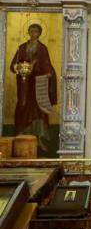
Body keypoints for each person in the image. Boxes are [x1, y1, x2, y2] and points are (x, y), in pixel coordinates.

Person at [10, 24, 58, 153]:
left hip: (38, 83)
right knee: (23, 104)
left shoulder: (42, 48)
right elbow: (13, 66)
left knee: (38, 109)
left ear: (39, 33)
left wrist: (49, 74)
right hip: (24, 83)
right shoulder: (21, 48)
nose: (33, 33)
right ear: (28, 32)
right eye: (31, 31)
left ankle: (39, 139)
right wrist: (20, 68)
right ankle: (20, 136)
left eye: (36, 31)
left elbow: (47, 65)